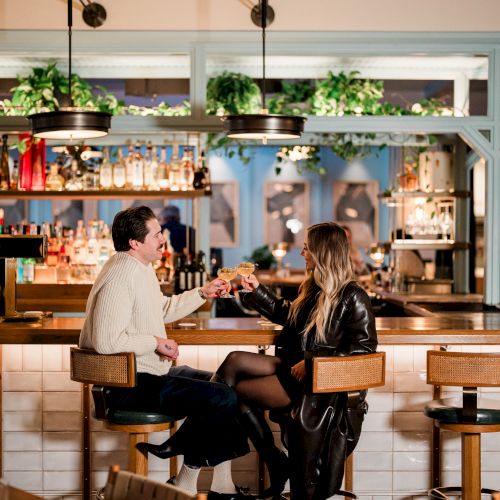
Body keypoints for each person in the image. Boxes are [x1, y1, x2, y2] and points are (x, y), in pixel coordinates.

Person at [79, 206, 252, 500]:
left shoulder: (138, 268)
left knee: (222, 384)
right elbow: (105, 340)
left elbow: (161, 309)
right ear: (135, 243)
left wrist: (202, 293)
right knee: (222, 397)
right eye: (157, 234)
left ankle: (219, 484)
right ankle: (188, 477)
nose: (163, 238)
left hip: (148, 375)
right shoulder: (121, 274)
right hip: (129, 384)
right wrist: (155, 342)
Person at [213, 222, 378, 499]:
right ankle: (274, 462)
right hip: (294, 368)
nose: (302, 253)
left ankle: (266, 460)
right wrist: (256, 291)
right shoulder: (314, 288)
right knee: (232, 363)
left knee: (236, 394)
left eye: (307, 248)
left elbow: (365, 354)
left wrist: (314, 362)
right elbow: (287, 314)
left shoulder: (354, 296)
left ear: (322, 252)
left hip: (319, 388)